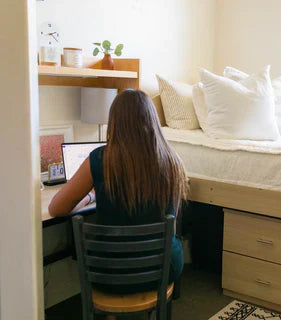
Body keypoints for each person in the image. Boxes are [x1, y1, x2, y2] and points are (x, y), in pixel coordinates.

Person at [49, 89, 187, 295]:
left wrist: (90, 195)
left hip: (109, 272)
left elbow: (56, 208)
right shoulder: (172, 160)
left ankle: (111, 314)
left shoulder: (99, 159)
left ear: (115, 122)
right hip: (163, 268)